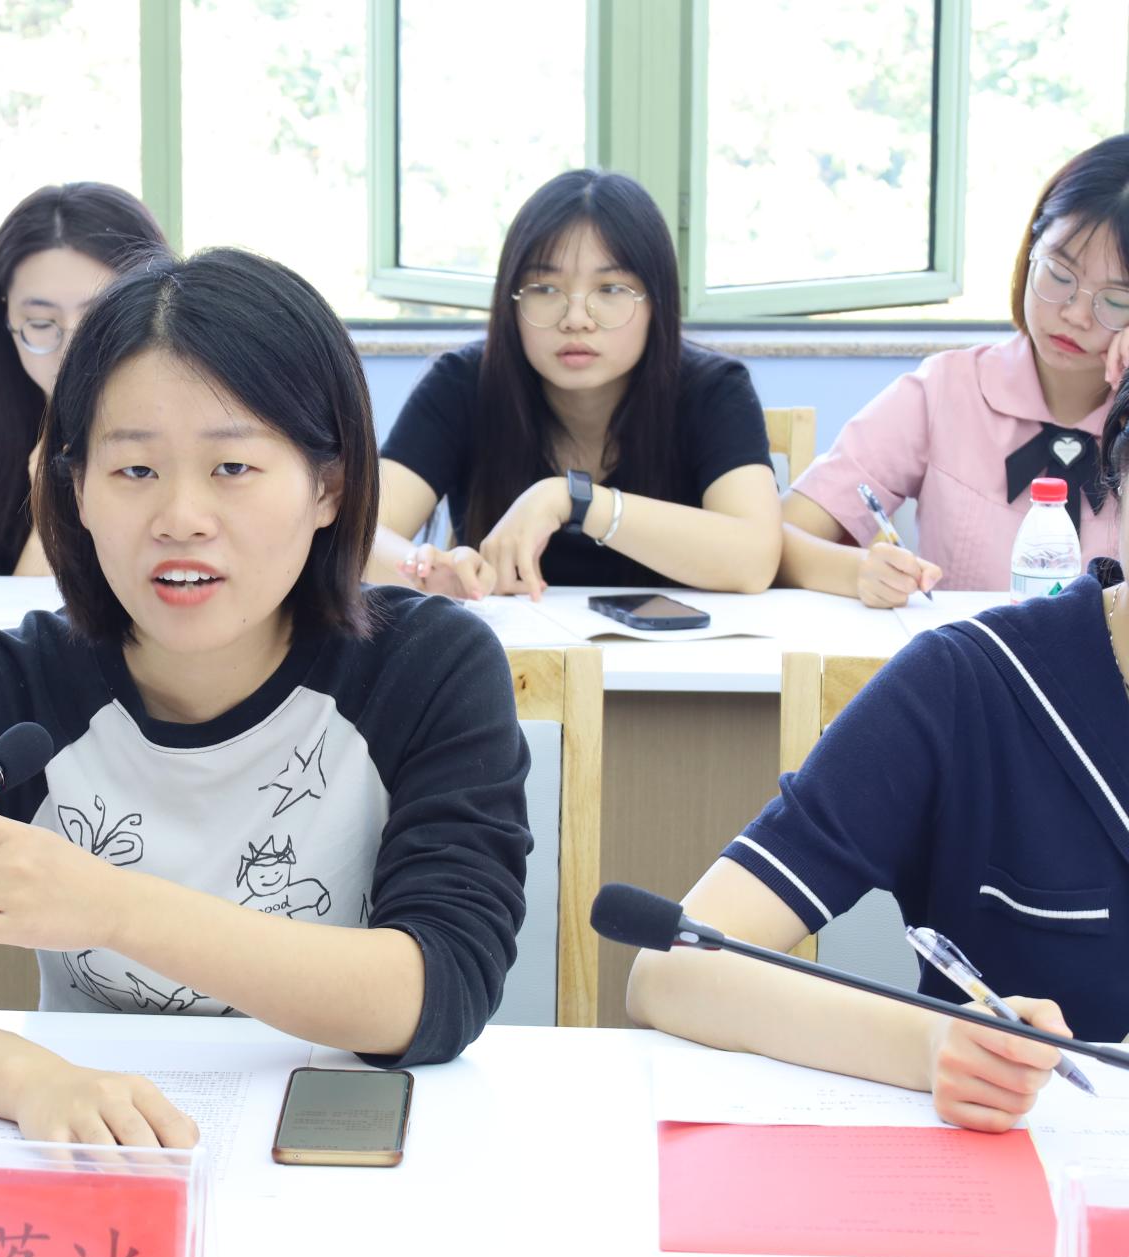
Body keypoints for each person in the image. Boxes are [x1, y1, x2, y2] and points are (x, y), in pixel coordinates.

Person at [0, 247, 532, 1146]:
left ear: (328, 486)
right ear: (77, 492)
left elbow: (438, 991)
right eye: (134, 471)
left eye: (232, 467)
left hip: (344, 1142)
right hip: (97, 1153)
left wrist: (112, 906)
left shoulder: (427, 666)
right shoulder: (8, 685)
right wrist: (26, 1080)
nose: (180, 518)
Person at [626, 386, 1129, 1132]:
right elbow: (672, 970)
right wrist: (927, 1041)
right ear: (1117, 474)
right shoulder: (972, 682)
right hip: (1028, 1177)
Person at [368, 169, 781, 599]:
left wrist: (574, 499)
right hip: (503, 642)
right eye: (545, 289)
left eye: (611, 288)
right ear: (511, 301)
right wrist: (425, 572)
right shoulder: (461, 383)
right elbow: (355, 536)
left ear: (656, 303)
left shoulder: (714, 390)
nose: (576, 318)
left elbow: (754, 560)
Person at [779, 135, 1129, 605]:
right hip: (965, 654)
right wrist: (857, 571)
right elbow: (779, 536)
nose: (1075, 314)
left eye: (1115, 300)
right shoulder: (947, 390)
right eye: (1059, 275)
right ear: (1031, 249)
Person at [0, 182, 169, 576]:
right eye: (40, 323)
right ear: (4, 321)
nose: (71, 350)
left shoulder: (199, 442)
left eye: (98, 319)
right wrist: (48, 507)